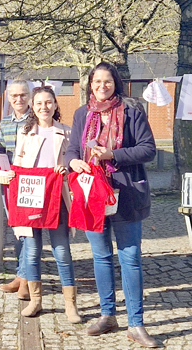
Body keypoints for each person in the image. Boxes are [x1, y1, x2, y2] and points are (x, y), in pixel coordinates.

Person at [66, 62, 159, 347]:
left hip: (126, 194)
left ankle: (136, 324)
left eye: (107, 81)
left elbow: (148, 149)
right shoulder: (82, 113)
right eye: (97, 82)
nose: (102, 86)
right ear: (90, 84)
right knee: (101, 256)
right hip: (92, 195)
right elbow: (72, 148)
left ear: (115, 83)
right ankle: (108, 315)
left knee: (130, 258)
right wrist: (73, 161)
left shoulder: (131, 111)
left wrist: (112, 154)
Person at [0, 86, 80, 322]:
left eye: (48, 102)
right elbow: (17, 165)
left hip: (57, 197)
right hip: (31, 199)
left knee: (61, 251)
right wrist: (8, 175)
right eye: (39, 103)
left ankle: (70, 305)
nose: (44, 107)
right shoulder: (25, 133)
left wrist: (66, 171)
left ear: (55, 104)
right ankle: (35, 300)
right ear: (33, 107)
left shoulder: (66, 132)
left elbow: (75, 162)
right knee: (32, 252)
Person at [0, 79, 32, 299]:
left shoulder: (37, 121)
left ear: (29, 96)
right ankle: (22, 274)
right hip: (9, 183)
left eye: (23, 95)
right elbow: (0, 151)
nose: (19, 99)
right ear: (9, 98)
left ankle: (26, 278)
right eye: (14, 96)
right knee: (17, 229)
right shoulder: (5, 123)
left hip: (30, 184)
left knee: (29, 230)